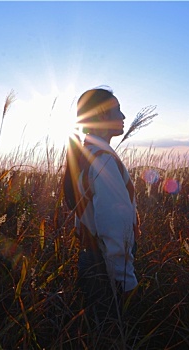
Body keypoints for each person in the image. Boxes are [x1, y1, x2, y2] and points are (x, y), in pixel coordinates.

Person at [63, 87, 139, 330]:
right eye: (117, 110)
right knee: (117, 333)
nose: (124, 116)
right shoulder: (103, 159)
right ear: (102, 116)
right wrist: (127, 281)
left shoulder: (85, 153)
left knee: (97, 333)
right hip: (107, 270)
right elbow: (115, 227)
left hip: (90, 261)